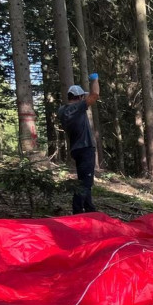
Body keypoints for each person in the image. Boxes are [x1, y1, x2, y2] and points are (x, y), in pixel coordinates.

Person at [58, 75, 100, 214]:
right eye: (82, 97)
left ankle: (89, 209)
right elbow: (95, 95)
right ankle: (77, 212)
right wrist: (95, 80)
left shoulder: (62, 110)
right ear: (79, 97)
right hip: (85, 148)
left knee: (84, 179)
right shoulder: (76, 108)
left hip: (76, 149)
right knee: (85, 182)